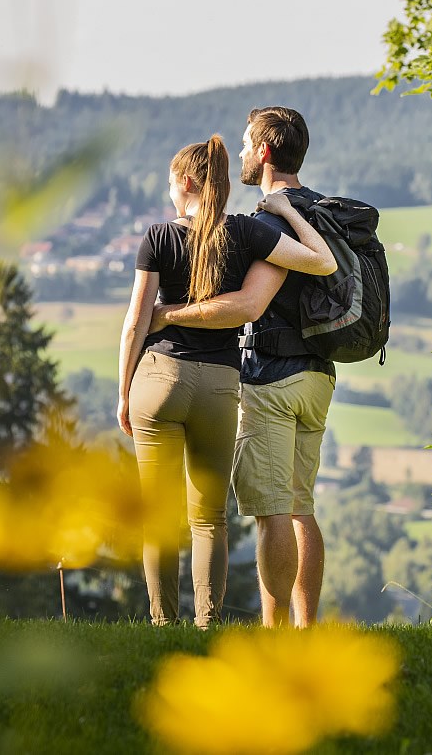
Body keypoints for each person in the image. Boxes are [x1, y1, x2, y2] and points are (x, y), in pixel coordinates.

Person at [117, 133, 335, 628]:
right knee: (208, 518)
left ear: (186, 182)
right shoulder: (247, 233)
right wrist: (290, 212)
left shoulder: (157, 236)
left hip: (157, 380)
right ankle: (209, 621)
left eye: (171, 184)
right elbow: (322, 262)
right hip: (219, 386)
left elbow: (136, 322)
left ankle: (161, 622)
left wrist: (123, 391)